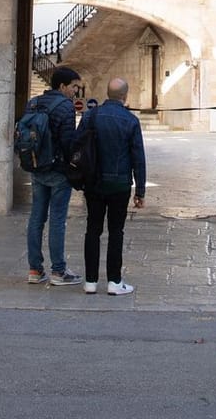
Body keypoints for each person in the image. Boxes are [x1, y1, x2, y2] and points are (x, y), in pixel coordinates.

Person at [80, 77, 146, 295]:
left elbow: (77, 145)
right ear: (125, 96)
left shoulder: (90, 116)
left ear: (107, 94)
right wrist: (140, 190)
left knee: (93, 229)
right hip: (119, 183)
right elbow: (138, 157)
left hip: (94, 182)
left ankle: (90, 281)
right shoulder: (130, 120)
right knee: (116, 231)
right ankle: (114, 282)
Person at [22, 66, 85, 286]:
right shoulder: (65, 106)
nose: (76, 92)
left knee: (36, 218)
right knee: (57, 220)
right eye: (74, 87)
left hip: (37, 168)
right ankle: (59, 271)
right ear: (63, 86)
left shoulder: (34, 102)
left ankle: (34, 269)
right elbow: (68, 141)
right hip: (58, 170)